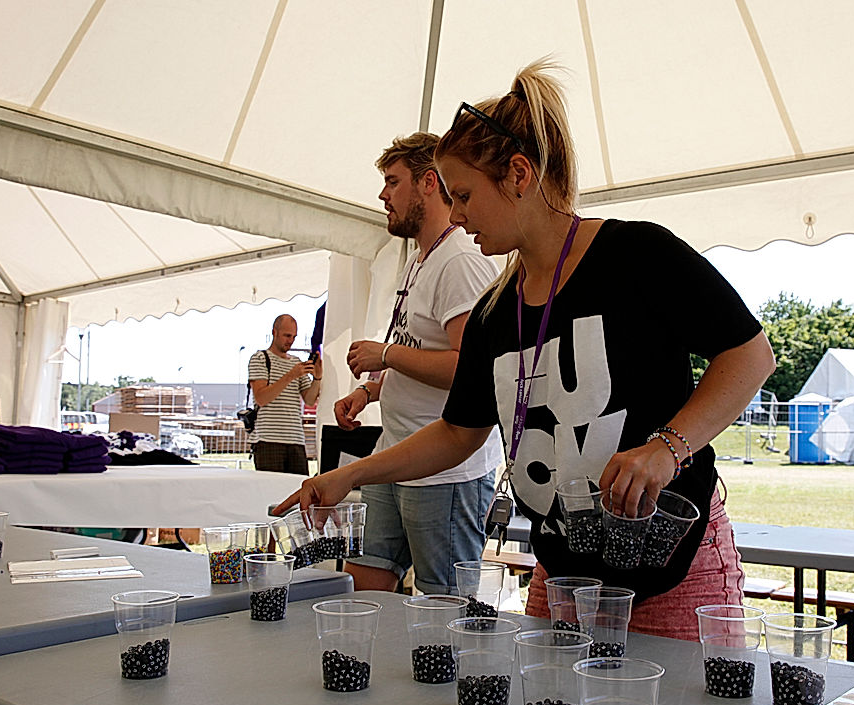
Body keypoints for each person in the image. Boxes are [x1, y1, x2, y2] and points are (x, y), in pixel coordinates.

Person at [277, 60, 775, 641]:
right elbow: (458, 432)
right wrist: (351, 476)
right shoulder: (495, 309)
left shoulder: (637, 255)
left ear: (518, 174)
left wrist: (666, 448)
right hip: (562, 574)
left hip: (671, 575)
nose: (457, 215)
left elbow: (749, 355)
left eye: (463, 195)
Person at [332, 132, 502, 594]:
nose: (383, 195)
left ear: (429, 182)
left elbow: (472, 371)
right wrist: (369, 390)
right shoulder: (423, 258)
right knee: (365, 578)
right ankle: (361, 663)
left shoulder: (461, 260)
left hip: (444, 469)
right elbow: (420, 349)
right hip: (395, 453)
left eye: (392, 181)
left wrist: (384, 354)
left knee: (443, 599)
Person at [248, 315, 322, 474]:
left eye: (294, 337)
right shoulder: (260, 358)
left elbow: (309, 400)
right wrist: (290, 376)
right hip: (268, 440)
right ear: (274, 332)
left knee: (299, 491)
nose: (290, 341)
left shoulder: (296, 362)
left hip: (296, 439)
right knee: (271, 492)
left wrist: (317, 377)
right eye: (287, 336)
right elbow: (261, 398)